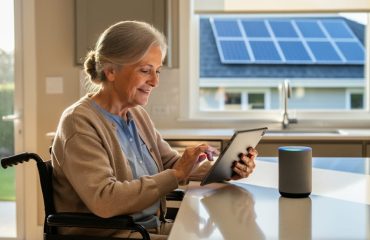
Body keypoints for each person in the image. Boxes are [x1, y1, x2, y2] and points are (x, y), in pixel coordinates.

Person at [51, 20, 258, 240]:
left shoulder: (136, 114)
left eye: (157, 71)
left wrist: (226, 168)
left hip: (149, 228)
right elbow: (105, 200)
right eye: (145, 71)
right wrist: (177, 174)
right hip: (114, 234)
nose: (155, 81)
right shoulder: (79, 122)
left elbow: (171, 165)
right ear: (111, 71)